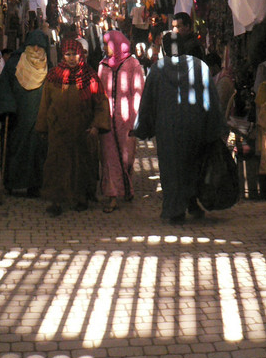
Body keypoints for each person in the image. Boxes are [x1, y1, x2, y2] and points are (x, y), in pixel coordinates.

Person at [133, 31, 226, 224]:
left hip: (168, 129)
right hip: (196, 126)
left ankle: (175, 210)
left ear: (165, 49)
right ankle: (192, 202)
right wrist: (215, 127)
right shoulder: (200, 66)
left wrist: (143, 128)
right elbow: (212, 99)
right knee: (194, 164)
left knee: (172, 169)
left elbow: (148, 102)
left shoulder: (157, 70)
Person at [35, 37, 111, 216]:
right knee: (57, 165)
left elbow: (101, 103)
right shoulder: (53, 76)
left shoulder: (90, 76)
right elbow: (45, 104)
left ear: (80, 55)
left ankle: (80, 198)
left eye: (74, 54)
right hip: (58, 130)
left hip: (81, 130)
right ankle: (56, 200)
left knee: (81, 165)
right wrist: (43, 127)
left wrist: (95, 126)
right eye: (68, 54)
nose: (71, 58)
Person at [0, 28, 50, 197]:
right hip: (18, 117)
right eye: (32, 45)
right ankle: (11, 182)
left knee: (37, 151)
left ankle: (34, 185)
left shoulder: (48, 65)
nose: (35, 49)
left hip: (39, 117)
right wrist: (7, 107)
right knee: (16, 148)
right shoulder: (14, 63)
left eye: (39, 46)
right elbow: (4, 86)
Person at [97, 29, 145, 213]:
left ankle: (126, 187)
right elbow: (99, 93)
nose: (104, 48)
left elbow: (138, 91)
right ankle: (112, 196)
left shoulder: (132, 64)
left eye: (106, 44)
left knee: (126, 158)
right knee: (110, 159)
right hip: (106, 120)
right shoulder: (103, 65)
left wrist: (136, 118)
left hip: (127, 120)